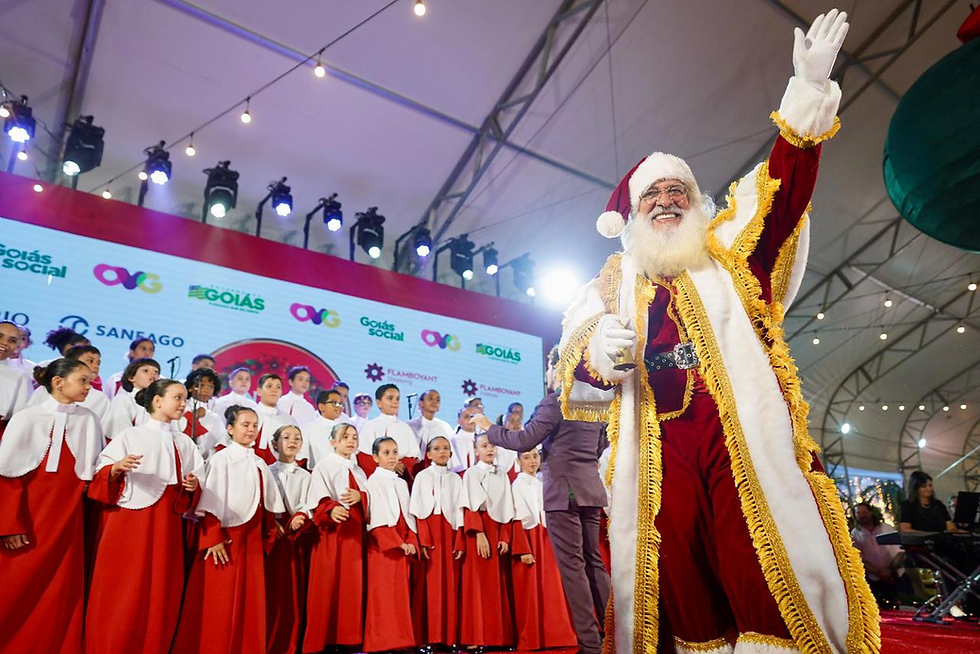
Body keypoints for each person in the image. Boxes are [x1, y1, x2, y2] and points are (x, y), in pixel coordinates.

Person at [555, 9, 875, 652]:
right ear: (635, 215)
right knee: (686, 593)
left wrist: (807, 92)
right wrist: (599, 350)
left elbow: (781, 191)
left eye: (679, 190)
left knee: (762, 574)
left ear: (696, 203)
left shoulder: (730, 251)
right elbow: (574, 375)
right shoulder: (609, 285)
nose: (668, 200)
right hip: (656, 458)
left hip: (739, 447)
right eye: (654, 196)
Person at [475, 349, 610, 654]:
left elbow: (524, 441)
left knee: (573, 569)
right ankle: (613, 634)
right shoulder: (598, 401)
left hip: (563, 493)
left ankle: (591, 645)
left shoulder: (556, 400)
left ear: (557, 368)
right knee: (595, 563)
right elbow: (603, 443)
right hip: (590, 489)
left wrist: (489, 428)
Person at [85, 378, 204, 654]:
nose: (183, 404)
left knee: (160, 590)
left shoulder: (184, 442)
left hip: (167, 527)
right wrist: (116, 468)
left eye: (185, 398)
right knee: (122, 587)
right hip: (127, 524)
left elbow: (196, 485)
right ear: (157, 400)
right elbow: (101, 477)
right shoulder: (130, 436)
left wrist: (192, 485)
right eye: (177, 397)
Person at [0, 358, 104, 654]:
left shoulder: (89, 419)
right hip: (28, 521)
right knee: (13, 589)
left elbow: (90, 475)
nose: (90, 385)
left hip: (67, 523)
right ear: (58, 382)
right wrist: (8, 524)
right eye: (82, 380)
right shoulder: (27, 418)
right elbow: (7, 476)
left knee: (59, 595)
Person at [173, 405, 284, 654]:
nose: (252, 430)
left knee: (249, 601)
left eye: (255, 425)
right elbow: (210, 502)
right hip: (225, 539)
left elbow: (265, 503)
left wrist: (270, 527)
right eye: (245, 425)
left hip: (252, 540)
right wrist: (213, 538)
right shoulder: (221, 459)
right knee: (219, 601)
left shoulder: (259, 462)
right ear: (230, 429)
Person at [303, 423, 368, 653]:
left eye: (354, 437)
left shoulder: (359, 471)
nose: (351, 441)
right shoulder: (324, 466)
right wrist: (330, 509)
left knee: (351, 586)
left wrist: (361, 496)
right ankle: (325, 640)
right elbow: (316, 498)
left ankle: (348, 638)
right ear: (333, 442)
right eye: (345, 437)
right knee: (327, 585)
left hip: (354, 536)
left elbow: (369, 500)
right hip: (331, 534)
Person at [510, 448, 578, 650]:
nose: (532, 461)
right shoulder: (516, 485)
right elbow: (517, 517)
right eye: (526, 457)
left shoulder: (542, 483)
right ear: (518, 461)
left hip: (548, 538)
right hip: (531, 539)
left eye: (535, 456)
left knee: (552, 588)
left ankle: (557, 635)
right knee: (532, 590)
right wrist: (524, 549)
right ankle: (533, 638)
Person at [458, 432, 515, 648]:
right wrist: (479, 534)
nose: (489, 449)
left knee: (496, 586)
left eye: (492, 445)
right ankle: (476, 638)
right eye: (484, 445)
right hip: (479, 532)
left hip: (497, 530)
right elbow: (470, 506)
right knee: (477, 585)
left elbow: (507, 507)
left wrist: (505, 537)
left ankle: (497, 637)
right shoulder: (471, 474)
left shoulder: (502, 475)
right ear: (476, 451)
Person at [363, 436, 418, 652]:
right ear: (375, 457)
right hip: (384, 547)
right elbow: (376, 518)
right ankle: (383, 642)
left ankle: (402, 640)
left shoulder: (401, 483)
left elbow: (408, 515)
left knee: (400, 597)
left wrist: (412, 540)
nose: (392, 456)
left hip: (403, 543)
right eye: (386, 453)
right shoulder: (373, 481)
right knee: (383, 596)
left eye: (395, 452)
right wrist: (397, 542)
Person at [409, 435, 464, 648]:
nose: (442, 452)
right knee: (428, 587)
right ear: (428, 453)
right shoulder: (422, 477)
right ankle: (428, 639)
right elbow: (418, 510)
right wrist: (423, 539)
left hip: (449, 534)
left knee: (449, 586)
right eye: (437, 448)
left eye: (446, 448)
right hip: (429, 533)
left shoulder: (456, 479)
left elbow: (460, 512)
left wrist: (459, 541)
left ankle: (449, 639)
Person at [267, 425, 313, 654]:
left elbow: (309, 503)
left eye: (297, 438)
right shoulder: (265, 471)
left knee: (293, 591)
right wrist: (271, 521)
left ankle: (290, 644)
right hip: (271, 537)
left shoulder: (305, 475)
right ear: (275, 444)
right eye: (286, 438)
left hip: (295, 538)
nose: (292, 441)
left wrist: (301, 517)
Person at [28, 345, 110, 421]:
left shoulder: (100, 398)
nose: (96, 366)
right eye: (90, 361)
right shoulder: (44, 390)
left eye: (98, 363)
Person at [357, 383, 420, 479]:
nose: (395, 402)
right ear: (379, 403)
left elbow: (413, 457)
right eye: (390, 398)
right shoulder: (371, 426)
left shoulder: (405, 427)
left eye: (397, 399)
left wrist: (403, 466)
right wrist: (388, 466)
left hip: (400, 478)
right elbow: (363, 458)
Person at [851, 502, 903, 607]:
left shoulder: (886, 528)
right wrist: (879, 574)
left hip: (896, 575)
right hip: (873, 579)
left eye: (864, 512)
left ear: (871, 513)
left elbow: (900, 552)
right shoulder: (855, 534)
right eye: (858, 513)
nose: (862, 515)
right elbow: (858, 559)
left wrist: (889, 570)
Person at [102, 357, 160, 439]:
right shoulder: (122, 400)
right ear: (131, 377)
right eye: (145, 371)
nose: (153, 374)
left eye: (156, 372)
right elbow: (121, 435)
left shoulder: (157, 404)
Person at [899, 471, 963, 533]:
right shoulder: (907, 505)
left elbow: (950, 528)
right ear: (915, 488)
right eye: (924, 486)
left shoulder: (939, 505)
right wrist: (928, 535)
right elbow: (905, 529)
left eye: (930, 485)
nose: (929, 489)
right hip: (918, 542)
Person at [302, 389, 351, 470]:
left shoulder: (344, 429)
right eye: (334, 403)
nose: (339, 406)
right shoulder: (309, 428)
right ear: (321, 406)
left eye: (341, 404)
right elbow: (303, 457)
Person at [253, 373, 296, 465]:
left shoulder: (288, 420)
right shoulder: (249, 415)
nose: (274, 390)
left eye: (278, 387)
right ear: (259, 391)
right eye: (269, 386)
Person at [182, 368, 225, 458]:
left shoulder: (214, 418)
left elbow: (221, 442)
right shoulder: (182, 407)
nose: (206, 390)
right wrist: (194, 416)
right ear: (190, 387)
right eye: (202, 385)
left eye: (210, 387)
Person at [0, 321, 32, 433]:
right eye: (0, 336)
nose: (4, 343)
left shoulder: (20, 377)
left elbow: (20, 421)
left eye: (12, 340)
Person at [407, 389, 455, 456]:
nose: (434, 402)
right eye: (430, 398)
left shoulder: (444, 427)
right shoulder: (410, 426)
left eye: (438, 400)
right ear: (421, 403)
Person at [449, 404, 480, 473]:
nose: (471, 419)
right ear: (459, 421)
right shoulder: (453, 440)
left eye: (473, 416)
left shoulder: (482, 439)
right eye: (466, 417)